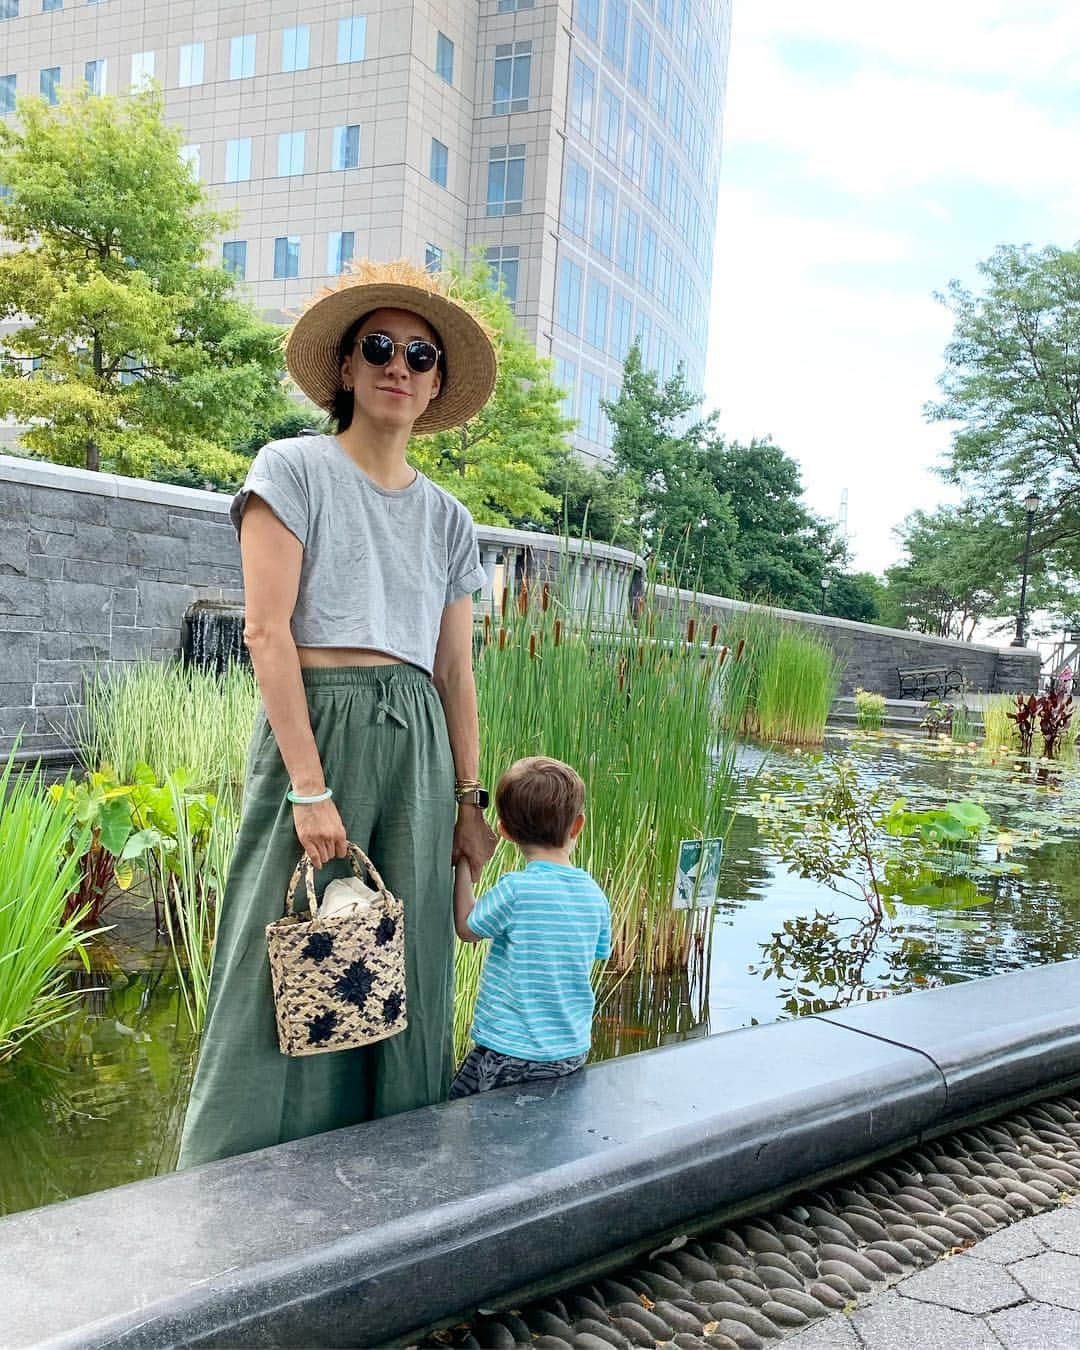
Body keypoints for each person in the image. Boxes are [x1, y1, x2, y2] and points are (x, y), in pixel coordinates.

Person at [177, 259, 499, 1167]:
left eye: (421, 355)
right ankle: (235, 1188)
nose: (401, 365)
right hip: (319, 730)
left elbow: (455, 671)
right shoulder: (291, 469)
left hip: (418, 750)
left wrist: (470, 803)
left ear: (436, 383)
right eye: (381, 347)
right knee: (276, 947)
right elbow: (268, 635)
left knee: (406, 965)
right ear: (348, 370)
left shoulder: (448, 518)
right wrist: (308, 789)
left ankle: (389, 1176)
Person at [449, 756, 612, 1098]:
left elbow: (467, 927)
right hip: (569, 1052)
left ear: (505, 831)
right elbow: (599, 951)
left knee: (465, 1123)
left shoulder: (516, 890)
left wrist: (463, 863)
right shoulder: (594, 896)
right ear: (577, 826)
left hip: (509, 1052)